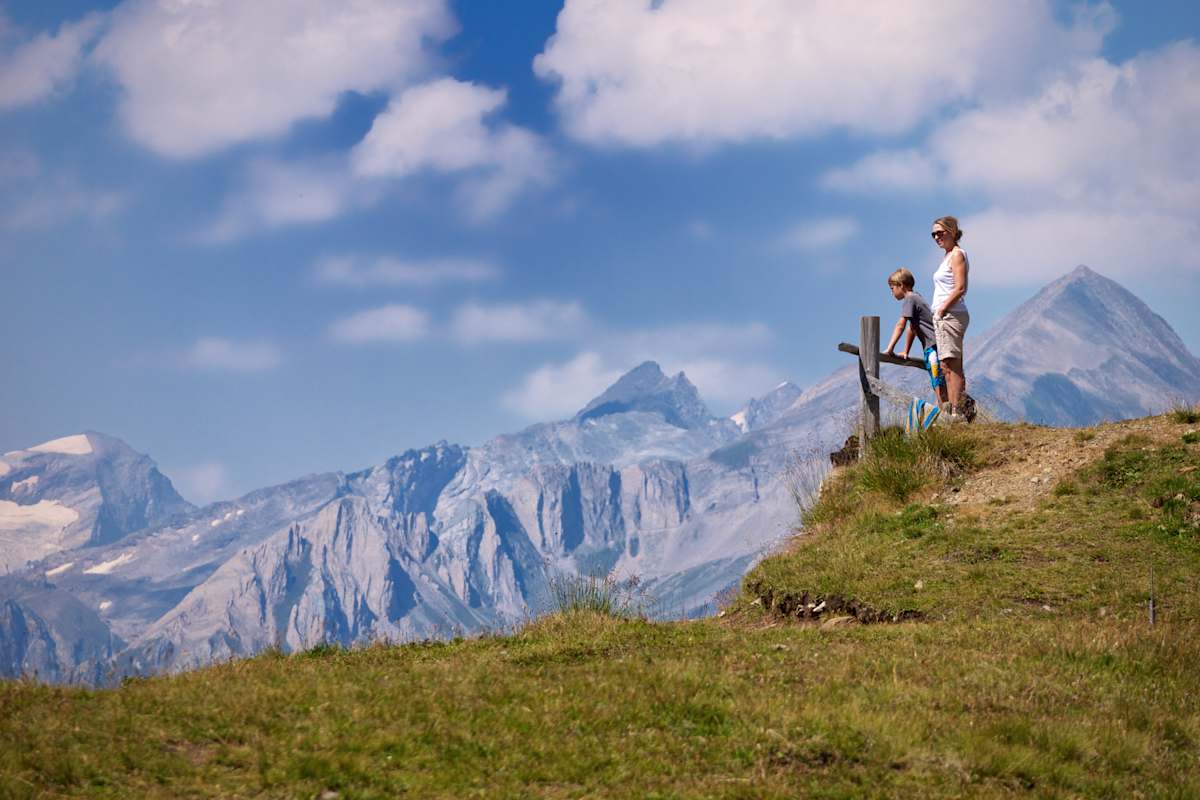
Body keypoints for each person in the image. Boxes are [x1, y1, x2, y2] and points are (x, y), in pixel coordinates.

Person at [884, 267, 948, 408]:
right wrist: (906, 350)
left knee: (938, 382)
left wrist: (890, 348)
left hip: (933, 347)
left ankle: (946, 417)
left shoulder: (910, 299)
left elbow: (901, 325)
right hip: (936, 346)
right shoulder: (916, 297)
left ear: (901, 285)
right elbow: (912, 328)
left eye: (892, 288)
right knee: (938, 381)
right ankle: (946, 414)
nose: (891, 292)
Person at [930, 216, 970, 421]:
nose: (937, 236)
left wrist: (942, 309)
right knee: (946, 364)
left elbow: (961, 287)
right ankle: (955, 408)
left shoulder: (957, 255)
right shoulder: (947, 256)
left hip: (950, 314)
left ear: (952, 231)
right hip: (944, 315)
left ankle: (957, 410)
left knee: (952, 364)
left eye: (940, 232)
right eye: (934, 234)